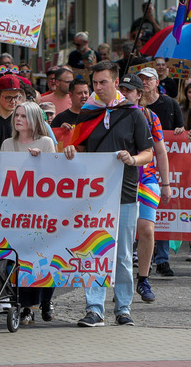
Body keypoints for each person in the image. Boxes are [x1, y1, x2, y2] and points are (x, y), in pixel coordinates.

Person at [63, 61, 154, 327]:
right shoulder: (88, 113)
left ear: (116, 83)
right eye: (95, 82)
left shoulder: (134, 114)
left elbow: (148, 153)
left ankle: (123, 308)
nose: (98, 87)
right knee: (93, 252)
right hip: (94, 194)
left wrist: (133, 159)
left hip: (125, 193)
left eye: (103, 82)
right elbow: (79, 148)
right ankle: (94, 308)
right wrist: (71, 151)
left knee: (124, 254)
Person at [0, 101, 56, 325]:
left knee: (42, 258)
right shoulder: (7, 143)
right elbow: (3, 175)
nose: (18, 119)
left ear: (35, 119)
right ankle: (25, 306)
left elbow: (55, 178)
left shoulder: (46, 143)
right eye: (16, 115)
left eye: (24, 116)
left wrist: (41, 162)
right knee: (19, 258)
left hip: (41, 212)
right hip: (16, 212)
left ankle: (46, 300)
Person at [117, 75, 172, 305]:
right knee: (121, 234)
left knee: (146, 229)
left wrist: (166, 183)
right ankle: (119, 281)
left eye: (129, 90)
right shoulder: (110, 114)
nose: (125, 93)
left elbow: (160, 151)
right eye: (122, 89)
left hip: (146, 179)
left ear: (139, 94)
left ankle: (143, 279)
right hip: (117, 180)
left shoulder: (151, 117)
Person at [137, 66, 183, 276]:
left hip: (152, 172)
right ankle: (127, 270)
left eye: (148, 79)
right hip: (124, 177)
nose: (144, 83)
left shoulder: (161, 109)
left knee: (150, 225)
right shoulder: (118, 111)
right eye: (140, 80)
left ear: (157, 82)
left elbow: (163, 147)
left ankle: (159, 261)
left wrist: (166, 183)